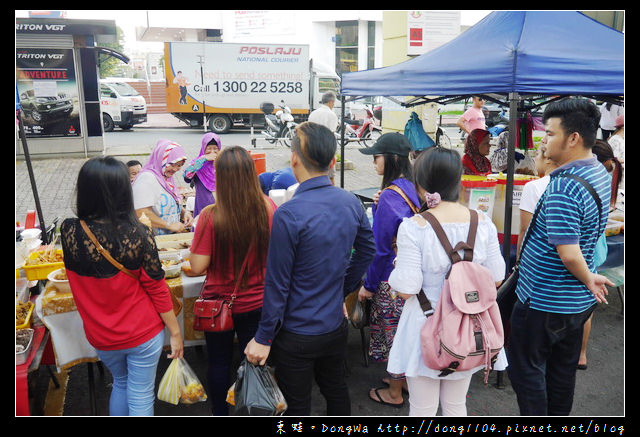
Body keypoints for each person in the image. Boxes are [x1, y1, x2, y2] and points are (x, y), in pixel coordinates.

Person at [244, 121, 376, 416]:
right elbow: (367, 250)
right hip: (333, 325)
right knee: (336, 390)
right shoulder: (350, 201)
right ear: (332, 162)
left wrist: (264, 337)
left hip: (296, 333)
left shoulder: (289, 213)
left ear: (293, 159)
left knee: (297, 403)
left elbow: (277, 284)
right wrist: (341, 290)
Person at [506, 98, 613, 416]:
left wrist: (588, 277)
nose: (544, 140)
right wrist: (587, 280)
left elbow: (568, 253)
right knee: (561, 374)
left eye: (550, 133)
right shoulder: (599, 172)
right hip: (576, 304)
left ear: (573, 138)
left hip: (544, 302)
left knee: (527, 374)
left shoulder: (563, 187)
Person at [386, 147, 506, 416]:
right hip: (469, 325)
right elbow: (497, 277)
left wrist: (396, 267)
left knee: (422, 408)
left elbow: (406, 289)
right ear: (459, 180)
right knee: (455, 405)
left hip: (425, 325)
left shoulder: (414, 226)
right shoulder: (482, 221)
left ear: (421, 184)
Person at [60, 156, 184, 416]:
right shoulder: (138, 233)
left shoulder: (70, 231)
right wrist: (175, 333)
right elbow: (157, 288)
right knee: (140, 395)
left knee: (121, 384)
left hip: (101, 335)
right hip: (142, 332)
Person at [187, 146, 277, 415]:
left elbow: (198, 265)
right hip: (258, 301)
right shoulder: (269, 207)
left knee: (218, 363)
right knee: (255, 362)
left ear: (220, 177)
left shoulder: (210, 215)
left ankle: (221, 413)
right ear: (252, 173)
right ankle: (256, 408)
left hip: (219, 305)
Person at [357, 132, 420, 408]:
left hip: (390, 279)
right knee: (405, 332)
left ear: (392, 159)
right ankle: (403, 380)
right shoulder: (412, 188)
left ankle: (395, 393)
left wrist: (368, 286)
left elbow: (379, 249)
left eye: (376, 157)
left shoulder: (390, 197)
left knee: (394, 336)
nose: (374, 163)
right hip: (411, 276)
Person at [133, 139, 193, 234]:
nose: (176, 169)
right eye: (173, 164)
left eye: (179, 165)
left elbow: (169, 203)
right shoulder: (146, 179)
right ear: (162, 159)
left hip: (167, 238)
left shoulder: (166, 178)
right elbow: (140, 212)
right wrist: (168, 225)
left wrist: (184, 213)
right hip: (152, 239)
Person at [516, 145, 558, 257]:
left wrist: (518, 261)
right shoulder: (570, 183)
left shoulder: (533, 187)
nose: (535, 159)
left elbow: (525, 230)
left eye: (537, 155)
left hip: (537, 255)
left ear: (548, 159)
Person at [183, 132, 221, 217]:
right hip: (203, 205)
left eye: (215, 148)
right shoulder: (197, 163)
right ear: (203, 148)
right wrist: (203, 159)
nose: (212, 152)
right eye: (209, 148)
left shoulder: (223, 163)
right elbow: (186, 177)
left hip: (221, 205)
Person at [308, 91, 339, 184]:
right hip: (326, 150)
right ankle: (331, 197)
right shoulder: (331, 115)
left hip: (313, 149)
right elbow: (331, 134)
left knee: (313, 176)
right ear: (331, 102)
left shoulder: (313, 114)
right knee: (330, 176)